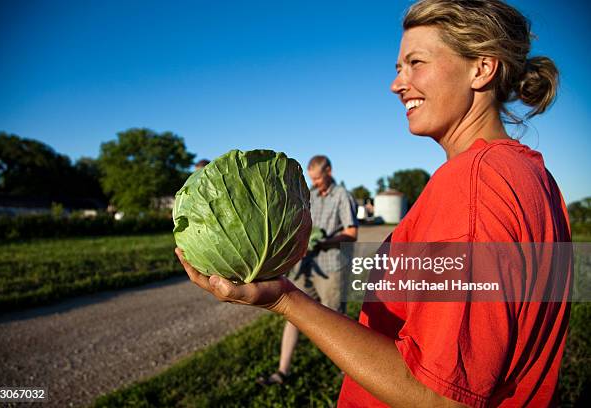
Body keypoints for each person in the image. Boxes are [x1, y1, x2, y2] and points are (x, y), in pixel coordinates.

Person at [175, 0, 571, 406]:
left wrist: (283, 299)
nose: (397, 84)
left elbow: (442, 397)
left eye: (416, 62)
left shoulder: (475, 184)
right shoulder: (528, 175)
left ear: (481, 68)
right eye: (399, 68)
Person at [256, 155, 359, 386]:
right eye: (312, 179)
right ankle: (283, 372)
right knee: (294, 314)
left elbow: (352, 234)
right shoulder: (310, 194)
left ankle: (349, 373)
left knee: (335, 319)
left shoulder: (343, 196)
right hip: (307, 265)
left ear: (329, 171)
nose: (316, 183)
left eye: (319, 178)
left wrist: (323, 242)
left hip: (332, 265)